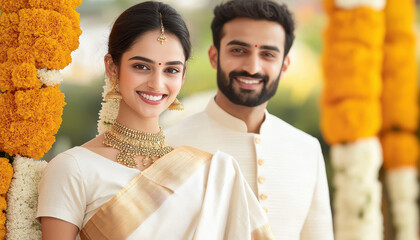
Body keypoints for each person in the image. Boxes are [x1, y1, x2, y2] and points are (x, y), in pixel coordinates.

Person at [36, 2, 274, 239]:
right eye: (141, 66)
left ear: (182, 76)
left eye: (171, 70)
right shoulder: (74, 168)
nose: (157, 84)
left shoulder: (210, 173)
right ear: (112, 67)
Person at [165, 0, 334, 239]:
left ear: (284, 66)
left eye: (267, 54)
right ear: (214, 57)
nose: (253, 67)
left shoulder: (307, 149)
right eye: (238, 50)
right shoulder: (169, 147)